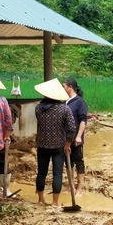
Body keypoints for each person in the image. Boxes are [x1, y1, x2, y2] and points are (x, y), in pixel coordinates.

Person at [34, 78, 76, 207]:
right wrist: (68, 143)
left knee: (41, 172)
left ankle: (40, 199)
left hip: (42, 145)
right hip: (59, 146)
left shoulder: (38, 108)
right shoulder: (64, 109)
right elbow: (72, 128)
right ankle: (55, 202)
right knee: (57, 173)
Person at [63, 78, 88, 197]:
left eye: (64, 86)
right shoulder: (63, 101)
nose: (62, 89)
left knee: (78, 161)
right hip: (65, 138)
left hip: (76, 138)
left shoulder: (79, 102)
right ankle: (70, 185)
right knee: (68, 162)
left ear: (70, 87)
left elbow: (83, 120)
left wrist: (79, 136)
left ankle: (80, 187)